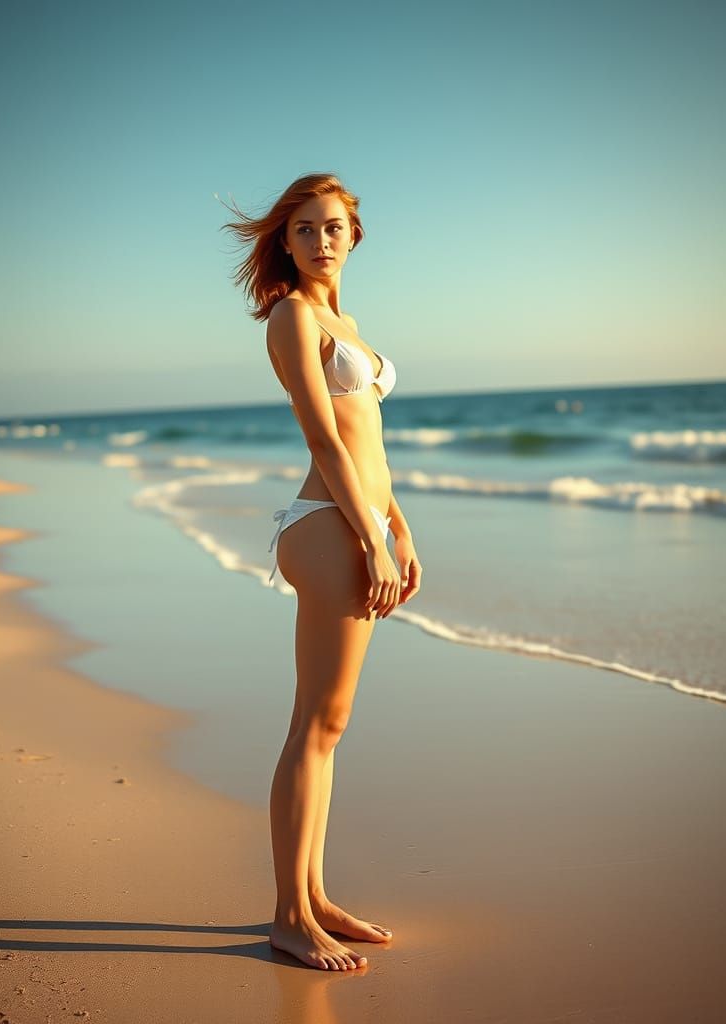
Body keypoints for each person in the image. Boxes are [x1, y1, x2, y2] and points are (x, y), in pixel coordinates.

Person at [222, 173, 423, 971]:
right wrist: (366, 539)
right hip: (325, 528)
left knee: (328, 728)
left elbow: (370, 438)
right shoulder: (291, 316)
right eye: (304, 229)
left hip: (363, 525)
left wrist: (399, 529)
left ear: (353, 235)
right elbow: (326, 440)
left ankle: (314, 897)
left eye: (332, 227)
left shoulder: (346, 320)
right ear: (286, 241)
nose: (320, 240)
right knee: (314, 726)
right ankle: (287, 916)